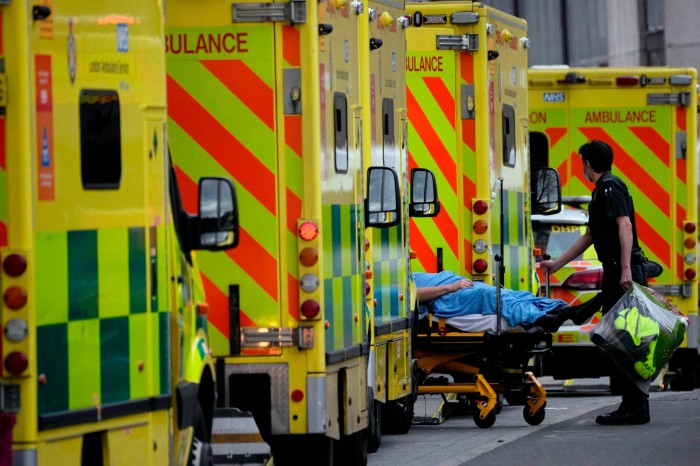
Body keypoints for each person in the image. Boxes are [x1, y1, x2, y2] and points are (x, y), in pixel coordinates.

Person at [541, 139, 650, 426]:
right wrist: (557, 264)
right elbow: (590, 236)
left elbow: (624, 225)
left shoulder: (609, 188)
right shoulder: (602, 191)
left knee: (624, 340)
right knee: (621, 339)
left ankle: (634, 407)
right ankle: (634, 405)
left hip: (621, 272)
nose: (583, 169)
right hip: (615, 272)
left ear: (588, 164)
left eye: (583, 164)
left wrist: (626, 269)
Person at [413, 270, 581, 332]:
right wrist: (452, 287)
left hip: (454, 286)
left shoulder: (396, 273)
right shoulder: (393, 286)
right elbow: (412, 295)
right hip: (446, 297)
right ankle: (541, 319)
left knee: (516, 295)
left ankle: (561, 310)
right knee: (495, 297)